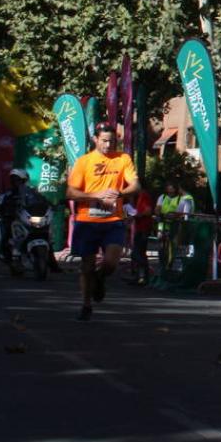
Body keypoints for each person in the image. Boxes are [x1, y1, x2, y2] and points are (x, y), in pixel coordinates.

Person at [67, 121, 140, 320]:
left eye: (112, 141)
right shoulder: (84, 162)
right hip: (87, 221)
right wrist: (97, 196)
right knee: (87, 266)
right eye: (105, 141)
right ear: (95, 139)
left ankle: (100, 278)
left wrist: (119, 193)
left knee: (111, 263)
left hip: (113, 220)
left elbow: (135, 186)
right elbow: (71, 192)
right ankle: (86, 304)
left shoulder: (123, 158)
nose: (108, 146)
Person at [155, 178, 195, 278]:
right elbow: (157, 208)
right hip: (162, 225)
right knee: (161, 246)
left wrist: (171, 216)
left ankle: (169, 267)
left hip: (175, 226)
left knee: (172, 247)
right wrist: (160, 214)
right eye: (168, 188)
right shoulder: (162, 197)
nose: (170, 190)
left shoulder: (183, 198)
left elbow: (181, 213)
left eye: (172, 188)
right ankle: (163, 265)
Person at [127, 185, 157, 285]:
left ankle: (145, 274)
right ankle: (141, 277)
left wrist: (136, 215)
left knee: (136, 253)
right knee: (140, 253)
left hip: (143, 228)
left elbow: (148, 211)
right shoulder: (140, 197)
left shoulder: (144, 196)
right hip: (140, 228)